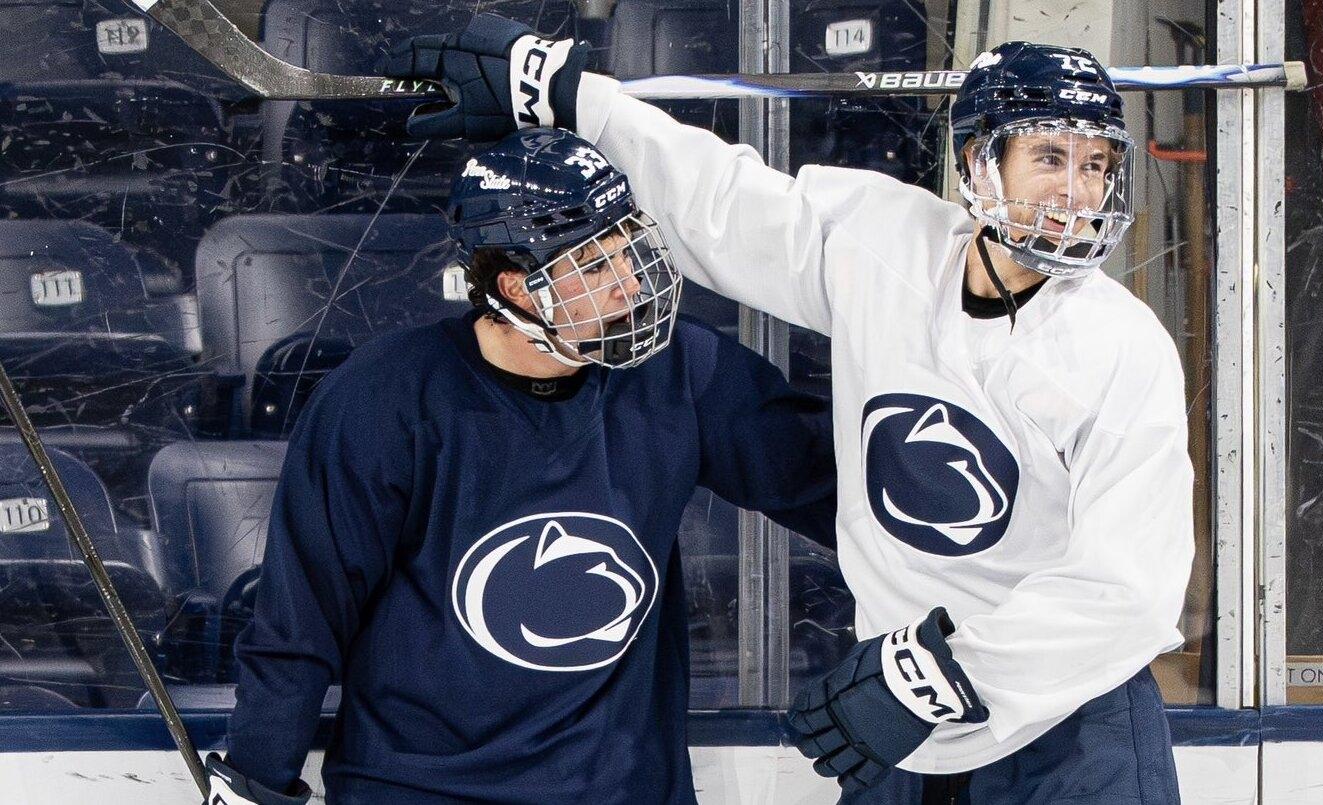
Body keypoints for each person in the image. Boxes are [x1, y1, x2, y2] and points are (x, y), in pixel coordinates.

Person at [382, 20, 1194, 805]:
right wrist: (570, 94)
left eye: (1096, 164)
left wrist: (946, 671)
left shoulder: (1123, 347)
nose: (1078, 190)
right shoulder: (891, 246)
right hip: (899, 704)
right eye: (1050, 156)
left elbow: (1129, 589)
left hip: (1067, 723)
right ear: (980, 161)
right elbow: (726, 204)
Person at [203, 127, 837, 804]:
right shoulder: (384, 399)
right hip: (420, 788)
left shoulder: (680, 371)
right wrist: (257, 782)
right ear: (518, 286)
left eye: (627, 249)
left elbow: (836, 488)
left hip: (619, 790)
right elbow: (302, 619)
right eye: (595, 266)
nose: (629, 282)